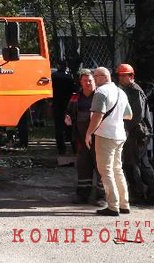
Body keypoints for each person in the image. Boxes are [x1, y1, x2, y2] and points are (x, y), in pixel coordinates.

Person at [85, 66, 132, 216]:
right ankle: (124, 204)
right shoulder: (121, 92)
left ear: (104, 77)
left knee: (106, 171)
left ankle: (112, 206)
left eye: (96, 75)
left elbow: (98, 115)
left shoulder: (101, 92)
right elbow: (128, 115)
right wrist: (115, 117)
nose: (94, 78)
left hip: (105, 135)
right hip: (119, 135)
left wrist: (88, 133)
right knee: (117, 169)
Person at [117, 63, 154, 205]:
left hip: (137, 133)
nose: (120, 78)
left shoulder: (135, 91)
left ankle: (145, 194)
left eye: (123, 75)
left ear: (131, 76)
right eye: (119, 75)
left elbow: (136, 115)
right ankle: (150, 194)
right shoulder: (128, 90)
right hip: (136, 132)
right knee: (138, 163)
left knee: (136, 164)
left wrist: (125, 129)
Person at [64, 69, 104, 204]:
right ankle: (82, 195)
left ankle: (102, 197)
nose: (88, 83)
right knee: (83, 166)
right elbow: (69, 112)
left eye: (90, 80)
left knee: (101, 167)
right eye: (85, 80)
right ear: (80, 82)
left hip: (98, 137)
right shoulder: (75, 96)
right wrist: (67, 117)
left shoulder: (100, 95)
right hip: (81, 138)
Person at [51, 61, 75, 155]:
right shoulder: (69, 77)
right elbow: (73, 90)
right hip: (68, 103)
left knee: (58, 127)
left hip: (57, 103)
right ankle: (73, 147)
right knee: (70, 126)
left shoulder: (53, 76)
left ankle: (61, 148)